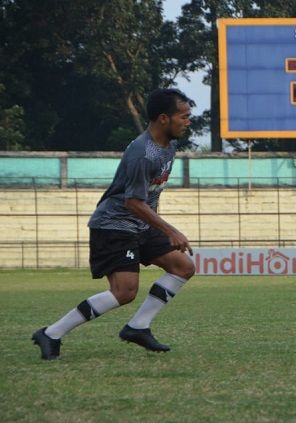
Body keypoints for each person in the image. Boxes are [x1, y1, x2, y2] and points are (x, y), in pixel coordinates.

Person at [31, 88, 196, 360]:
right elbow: (133, 201)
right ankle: (51, 333)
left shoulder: (169, 146)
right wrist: (171, 230)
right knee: (124, 292)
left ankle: (138, 326)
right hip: (114, 225)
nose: (188, 121)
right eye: (184, 116)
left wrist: (158, 227)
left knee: (183, 266)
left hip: (140, 225)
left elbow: (148, 196)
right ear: (164, 118)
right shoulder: (143, 153)